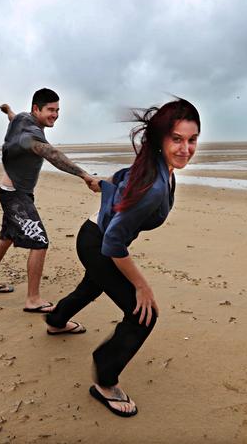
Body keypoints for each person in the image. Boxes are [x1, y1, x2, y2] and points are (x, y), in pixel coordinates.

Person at [45, 98, 201, 417]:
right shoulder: (154, 185)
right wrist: (143, 287)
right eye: (177, 139)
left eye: (192, 139)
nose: (186, 148)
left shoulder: (154, 166)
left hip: (92, 234)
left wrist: (101, 183)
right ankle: (105, 378)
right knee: (143, 315)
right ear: (161, 140)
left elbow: (120, 180)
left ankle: (57, 320)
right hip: (98, 242)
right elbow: (114, 243)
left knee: (92, 286)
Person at [0, 88, 100, 313]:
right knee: (39, 241)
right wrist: (84, 175)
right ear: (37, 109)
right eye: (50, 110)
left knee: (6, 236)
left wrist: (8, 111)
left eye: (57, 110)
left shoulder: (22, 117)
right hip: (16, 195)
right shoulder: (30, 135)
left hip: (12, 191)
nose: (55, 115)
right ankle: (32, 299)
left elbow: (15, 118)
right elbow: (52, 155)